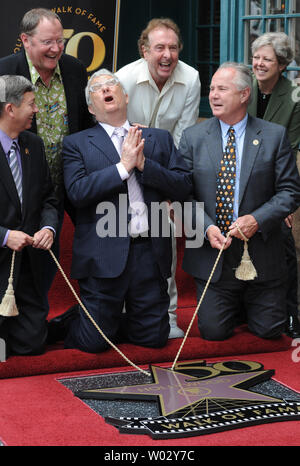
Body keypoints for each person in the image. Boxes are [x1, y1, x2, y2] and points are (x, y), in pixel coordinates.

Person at [47, 69, 192, 353]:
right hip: (103, 253)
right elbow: (77, 193)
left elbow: (183, 186)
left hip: (148, 252)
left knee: (153, 339)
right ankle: (75, 321)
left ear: (125, 96)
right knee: (95, 343)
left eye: (111, 84)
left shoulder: (158, 139)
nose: (105, 89)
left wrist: (144, 166)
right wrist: (123, 168)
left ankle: (114, 321)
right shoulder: (76, 144)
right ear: (91, 107)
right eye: (97, 88)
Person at [179, 62, 300, 342]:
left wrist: (257, 219)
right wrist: (206, 227)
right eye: (211, 89)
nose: (213, 95)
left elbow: (290, 191)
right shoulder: (193, 137)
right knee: (213, 332)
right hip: (214, 253)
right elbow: (183, 194)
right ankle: (233, 304)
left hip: (262, 254)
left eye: (222, 89)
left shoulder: (273, 136)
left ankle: (250, 305)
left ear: (244, 94)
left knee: (268, 331)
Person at [0, 8, 93, 307]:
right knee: (28, 260)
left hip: (74, 183)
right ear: (26, 40)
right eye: (47, 42)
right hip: (25, 187)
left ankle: (94, 314)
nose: (55, 49)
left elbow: (88, 123)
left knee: (95, 249)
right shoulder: (4, 72)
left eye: (60, 41)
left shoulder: (76, 70)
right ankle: (25, 315)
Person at [116, 18, 201, 338]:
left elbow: (183, 138)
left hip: (164, 168)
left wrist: (168, 190)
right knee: (124, 244)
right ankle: (124, 314)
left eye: (174, 47)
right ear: (144, 50)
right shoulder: (124, 77)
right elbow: (116, 132)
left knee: (164, 246)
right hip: (125, 167)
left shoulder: (191, 79)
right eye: (160, 48)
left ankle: (167, 317)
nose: (167, 55)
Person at [0, 75, 59, 357]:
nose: (36, 110)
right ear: (10, 109)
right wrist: (5, 236)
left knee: (32, 346)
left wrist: (49, 227)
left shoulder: (33, 145)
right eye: (31, 104)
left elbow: (48, 197)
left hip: (27, 270)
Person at [248, 32, 300, 338]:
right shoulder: (244, 87)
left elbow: (289, 150)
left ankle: (291, 313)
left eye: (267, 59)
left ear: (281, 64)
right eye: (256, 57)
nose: (259, 63)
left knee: (287, 245)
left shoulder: (294, 96)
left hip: (280, 177)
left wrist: (283, 202)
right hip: (244, 177)